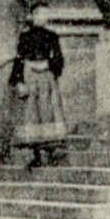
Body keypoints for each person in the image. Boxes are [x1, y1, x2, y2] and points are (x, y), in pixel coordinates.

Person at [8, 9, 68, 171]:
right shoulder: (25, 37)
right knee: (32, 114)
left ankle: (50, 152)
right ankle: (36, 155)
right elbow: (19, 60)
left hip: (46, 79)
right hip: (30, 77)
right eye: (40, 14)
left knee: (48, 112)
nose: (43, 17)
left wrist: (48, 65)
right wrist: (19, 81)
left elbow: (59, 59)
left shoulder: (52, 36)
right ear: (33, 16)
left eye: (46, 14)